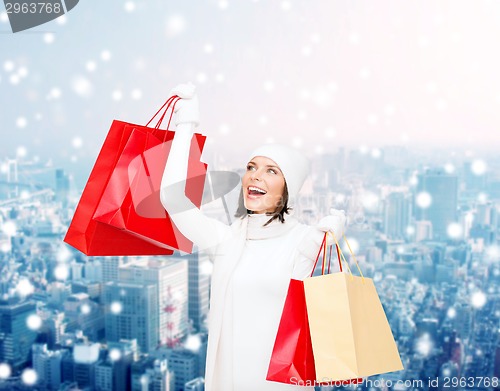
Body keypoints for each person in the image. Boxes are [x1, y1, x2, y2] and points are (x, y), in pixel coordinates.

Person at [160, 83, 346, 391]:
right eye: (251, 167)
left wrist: (331, 236)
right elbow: (172, 200)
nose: (255, 176)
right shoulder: (225, 241)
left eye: (272, 171)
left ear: (289, 190)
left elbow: (329, 311)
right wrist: (186, 125)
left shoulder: (305, 242)